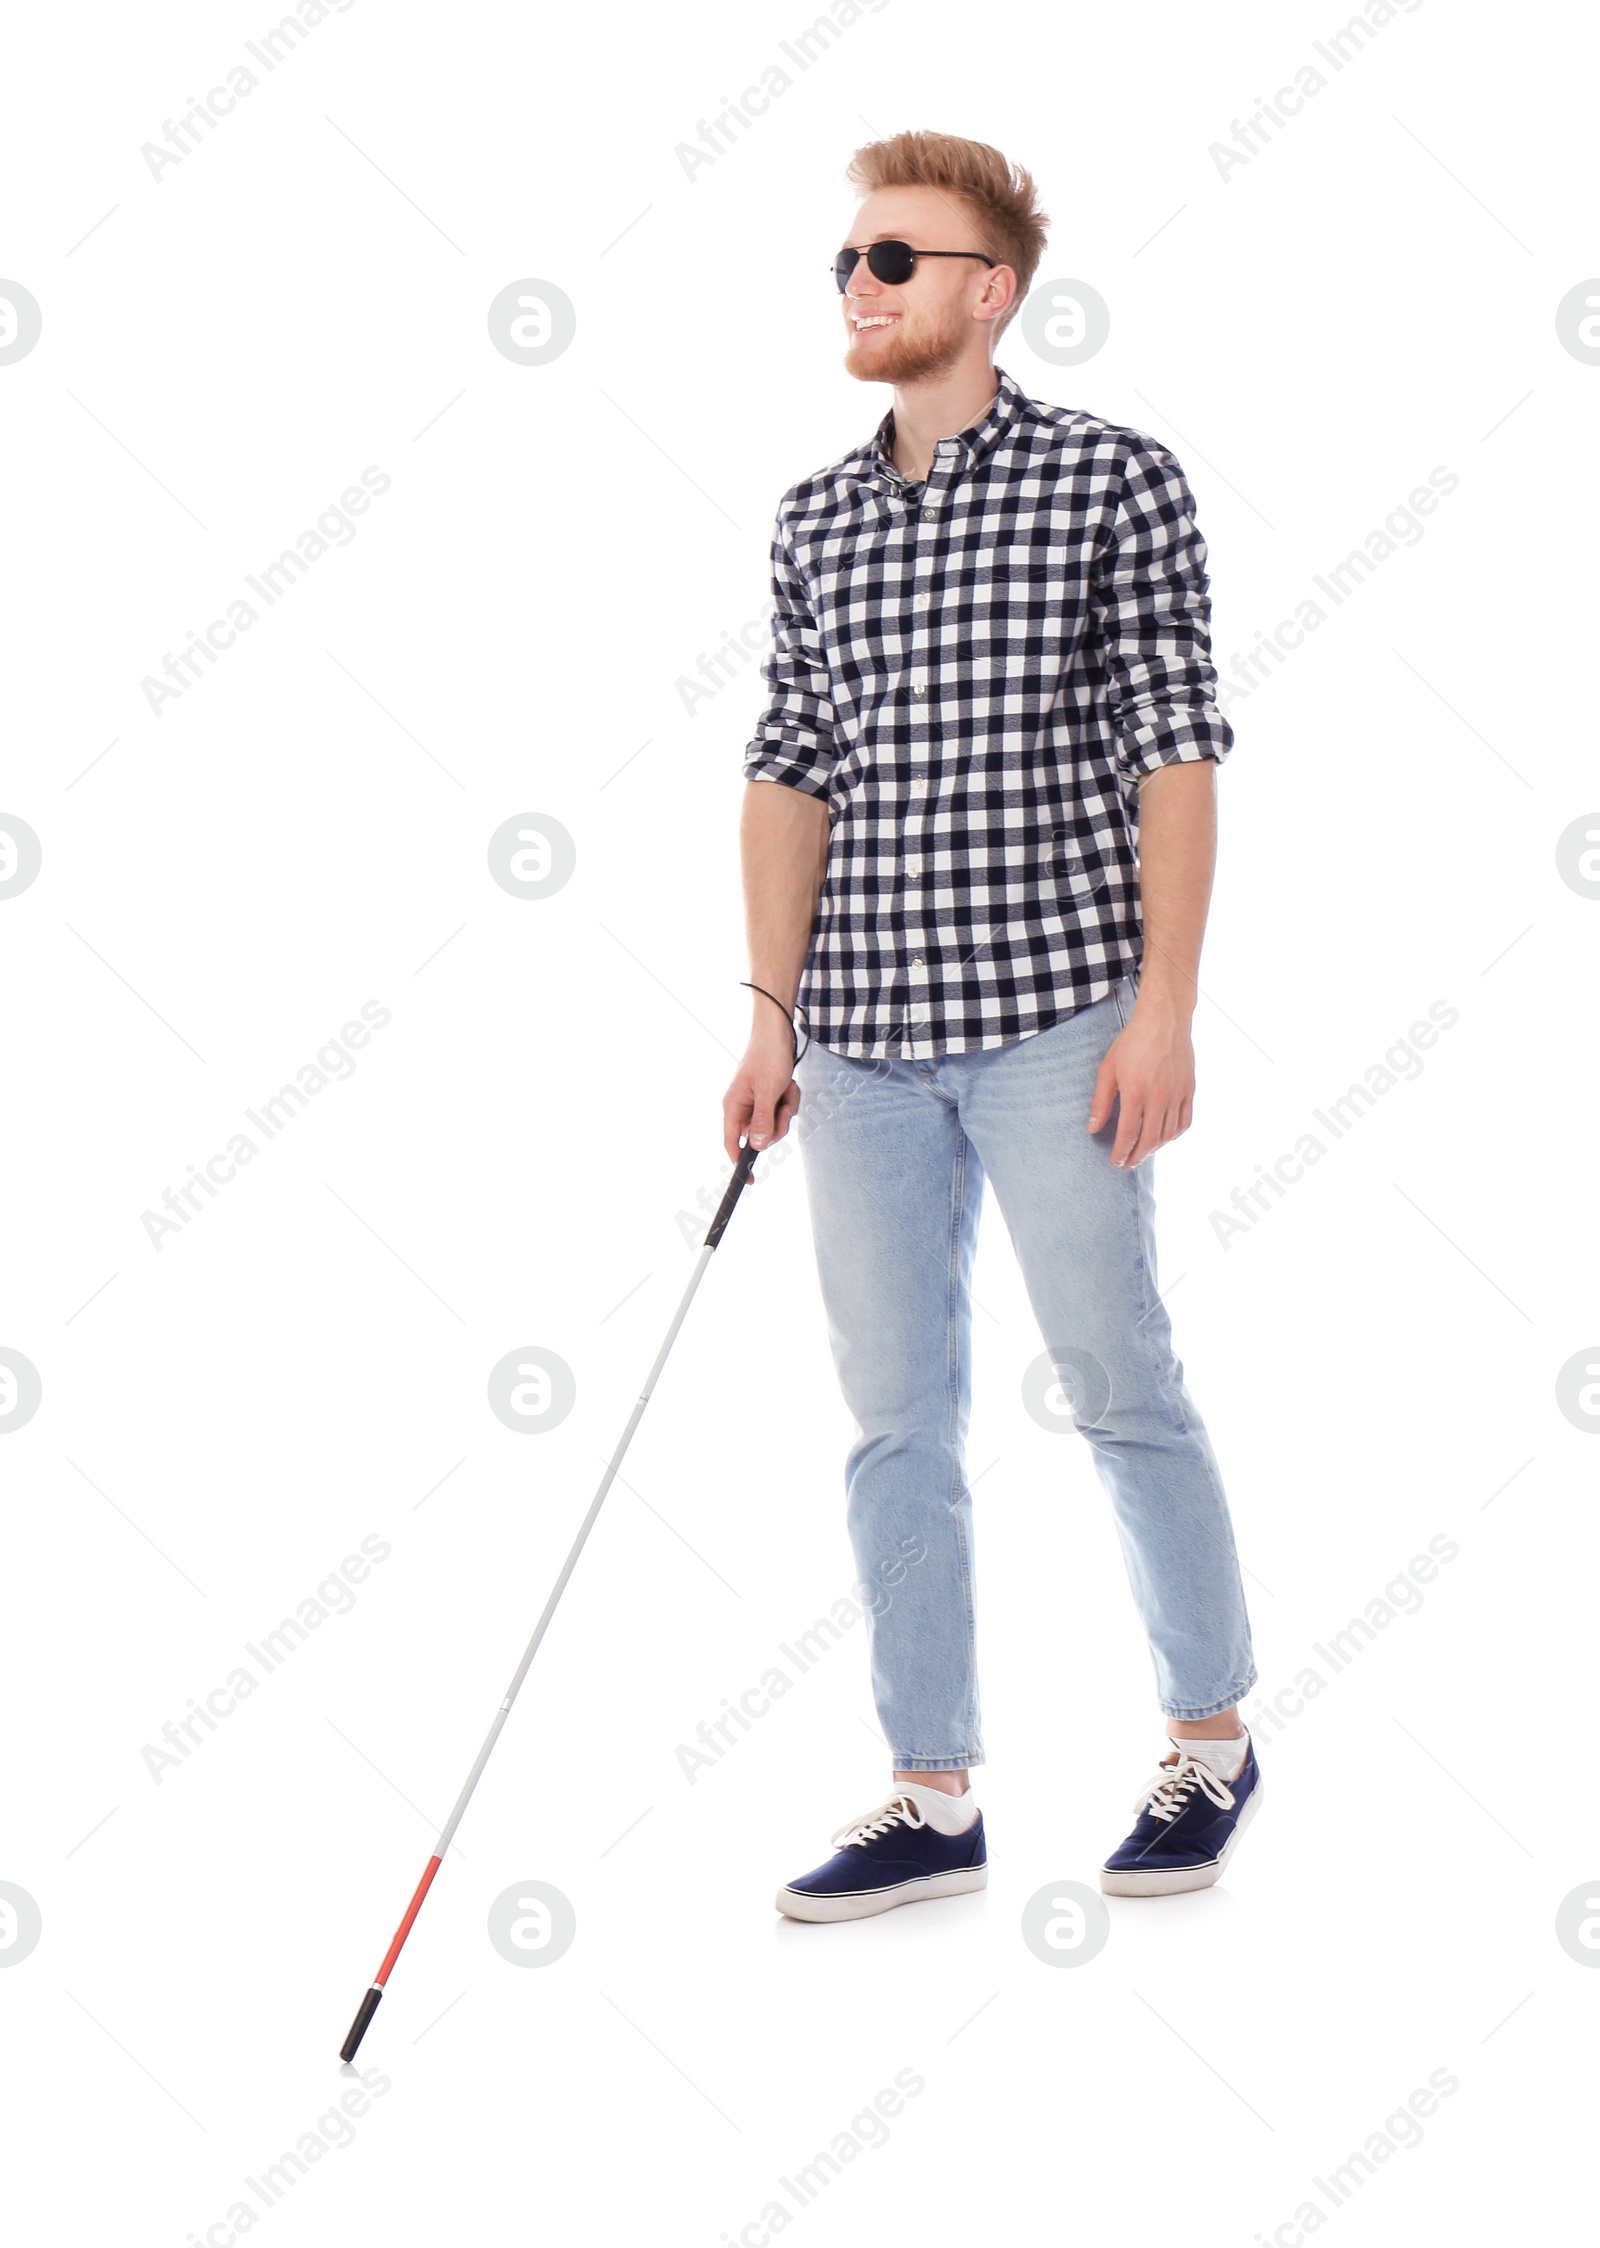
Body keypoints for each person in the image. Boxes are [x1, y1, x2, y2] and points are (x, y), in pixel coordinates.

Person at [723, 130, 1261, 1921]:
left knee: (1116, 1381)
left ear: (986, 289)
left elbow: (1174, 751)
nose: (858, 287)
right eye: (848, 262)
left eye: (893, 259)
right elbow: (791, 770)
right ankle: (930, 1794)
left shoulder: (1115, 479)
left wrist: (1164, 1006)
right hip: (863, 1043)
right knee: (895, 1421)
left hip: (1058, 1019)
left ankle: (1208, 1738)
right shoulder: (814, 517)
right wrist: (767, 1016)